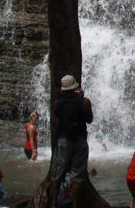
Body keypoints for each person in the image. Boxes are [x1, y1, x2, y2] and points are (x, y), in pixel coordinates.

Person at [50, 75, 93, 208]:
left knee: (57, 172)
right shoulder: (85, 102)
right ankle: (75, 205)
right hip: (80, 140)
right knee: (77, 175)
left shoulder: (57, 103)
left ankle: (54, 203)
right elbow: (89, 119)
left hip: (63, 140)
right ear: (75, 87)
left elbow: (58, 115)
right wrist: (80, 98)